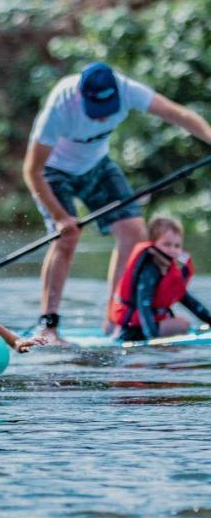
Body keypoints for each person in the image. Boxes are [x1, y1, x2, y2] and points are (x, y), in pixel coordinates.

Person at [23, 62, 211, 342]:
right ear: (80, 96)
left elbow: (179, 115)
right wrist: (60, 217)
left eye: (107, 111)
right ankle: (48, 325)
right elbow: (32, 170)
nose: (101, 119)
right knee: (66, 239)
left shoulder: (128, 90)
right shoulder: (60, 106)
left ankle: (115, 319)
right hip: (52, 171)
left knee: (135, 233)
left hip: (97, 165)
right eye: (95, 112)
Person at [107, 215, 211, 341]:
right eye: (167, 244)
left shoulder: (168, 270)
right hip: (133, 331)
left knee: (182, 325)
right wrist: (153, 339)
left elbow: (189, 302)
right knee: (182, 325)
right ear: (153, 243)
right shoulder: (151, 269)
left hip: (143, 328)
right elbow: (143, 305)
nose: (172, 250)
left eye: (177, 246)